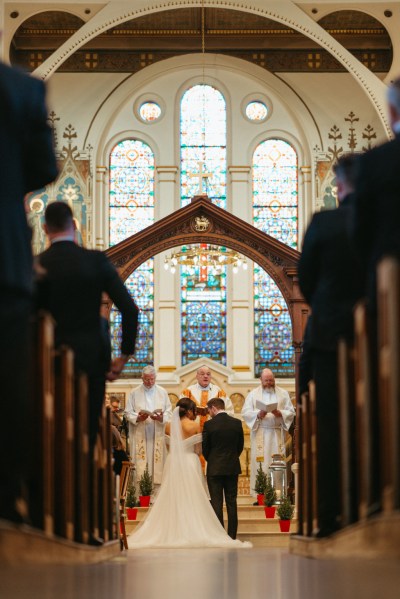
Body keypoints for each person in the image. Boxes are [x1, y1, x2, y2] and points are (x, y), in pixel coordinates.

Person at [0, 61, 58, 523]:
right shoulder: (20, 88)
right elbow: (43, 168)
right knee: (9, 378)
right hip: (4, 258)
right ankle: (8, 500)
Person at [36, 201, 139, 451]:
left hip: (47, 360)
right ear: (74, 226)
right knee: (87, 433)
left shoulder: (37, 265)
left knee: (49, 429)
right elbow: (129, 308)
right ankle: (83, 484)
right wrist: (123, 356)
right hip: (90, 359)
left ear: (44, 228)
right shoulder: (95, 261)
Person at [298, 153, 363, 536]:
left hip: (330, 334)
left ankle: (331, 515)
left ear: (336, 187)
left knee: (331, 423)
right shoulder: (382, 218)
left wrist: (327, 305)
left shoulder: (326, 222)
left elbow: (305, 280)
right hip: (377, 324)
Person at [129, 398, 251, 548]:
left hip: (173, 462)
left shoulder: (168, 426)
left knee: (175, 497)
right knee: (196, 497)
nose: (195, 414)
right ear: (188, 411)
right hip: (192, 463)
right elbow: (199, 450)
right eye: (194, 411)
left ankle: (175, 531)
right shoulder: (195, 426)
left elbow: (170, 448)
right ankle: (226, 534)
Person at [241, 368, 295, 502]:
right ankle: (260, 495)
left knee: (276, 463)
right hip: (260, 433)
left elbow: (291, 412)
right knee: (261, 464)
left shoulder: (283, 393)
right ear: (261, 380)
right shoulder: (253, 394)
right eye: (266, 381)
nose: (269, 383)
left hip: (277, 434)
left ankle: (277, 494)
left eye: (271, 380)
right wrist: (258, 414)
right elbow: (246, 412)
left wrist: (280, 413)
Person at [202, 397, 244, 540]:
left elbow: (205, 449)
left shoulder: (208, 425)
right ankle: (232, 536)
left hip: (214, 468)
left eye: (209, 410)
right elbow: (240, 447)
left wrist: (213, 460)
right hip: (232, 467)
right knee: (232, 502)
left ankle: (220, 535)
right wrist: (231, 457)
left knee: (216, 503)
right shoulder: (237, 423)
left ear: (213, 408)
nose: (209, 413)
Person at [124, 366, 172, 490]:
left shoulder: (162, 392)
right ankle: (141, 494)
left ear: (155, 378)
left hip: (158, 434)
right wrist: (138, 417)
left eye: (152, 379)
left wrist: (161, 417)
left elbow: (169, 412)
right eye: (146, 380)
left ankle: (157, 495)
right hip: (141, 434)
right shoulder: (134, 392)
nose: (149, 382)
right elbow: (127, 413)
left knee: (157, 464)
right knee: (141, 465)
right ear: (142, 378)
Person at [181, 365, 234, 430]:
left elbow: (228, 410)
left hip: (214, 429)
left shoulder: (219, 392)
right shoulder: (187, 392)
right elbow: (181, 411)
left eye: (208, 374)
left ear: (210, 377)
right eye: (202, 374)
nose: (205, 376)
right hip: (192, 430)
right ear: (197, 376)